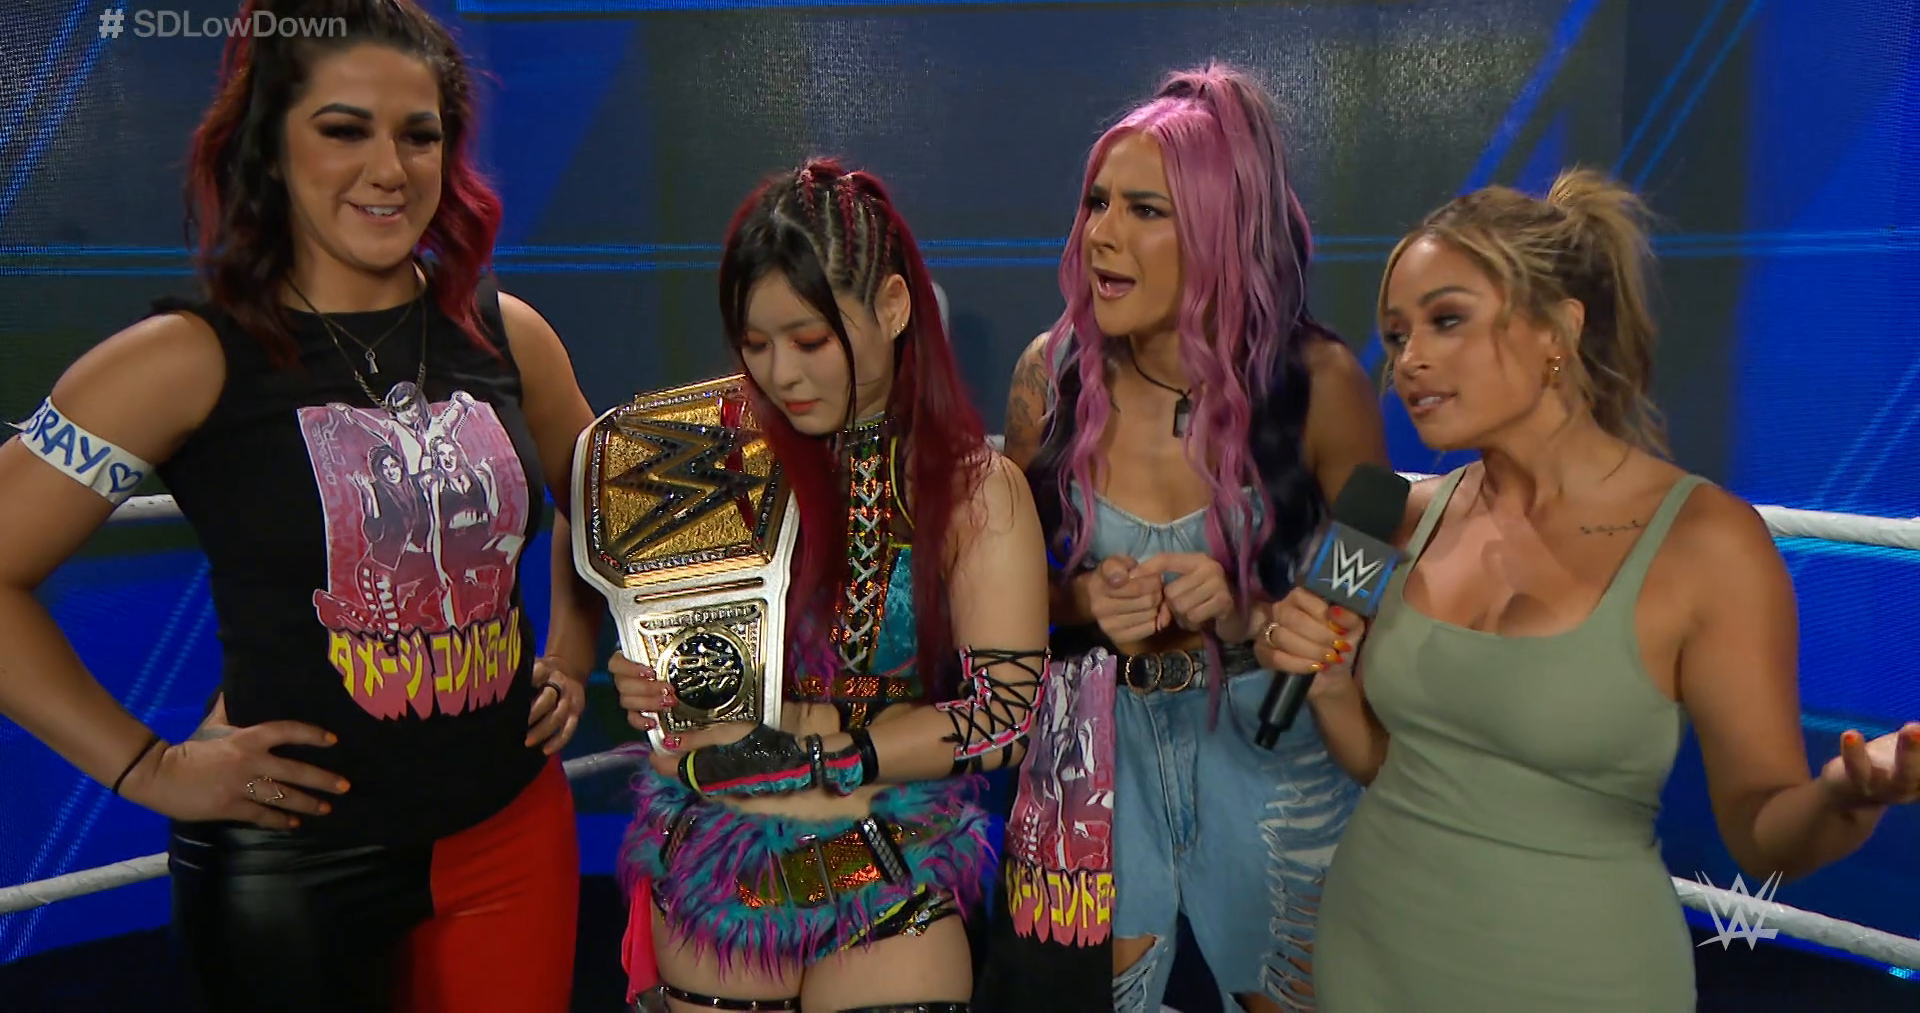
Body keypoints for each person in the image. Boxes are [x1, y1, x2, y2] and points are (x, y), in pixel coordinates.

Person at [0, 0, 603, 1011]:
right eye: (344, 129)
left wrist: (571, 649)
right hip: (293, 869)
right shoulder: (182, 360)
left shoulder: (509, 334)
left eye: (420, 134)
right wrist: (148, 769)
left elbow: (606, 503)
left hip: (511, 836)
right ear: (270, 146)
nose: (390, 168)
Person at [1257, 169, 1920, 1011]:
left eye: (1446, 320)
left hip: (1579, 979)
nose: (1409, 361)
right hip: (1371, 959)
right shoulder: (1396, 513)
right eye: (1395, 335)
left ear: (1556, 330)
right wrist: (1328, 687)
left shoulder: (1706, 545)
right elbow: (1391, 767)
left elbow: (1764, 837)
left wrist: (1846, 795)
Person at [975, 64, 1390, 1013]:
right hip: (1091, 757)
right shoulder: (1051, 374)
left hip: (1267, 747)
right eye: (1096, 203)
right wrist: (1083, 600)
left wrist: (1258, 611)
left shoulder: (1320, 382)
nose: (1101, 234)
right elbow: (1001, 604)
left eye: (1145, 211)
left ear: (1217, 229)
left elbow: (1366, 574)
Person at [605, 158, 1051, 1012]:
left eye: (809, 340)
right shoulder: (707, 470)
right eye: (756, 344)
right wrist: (656, 686)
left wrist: (834, 754)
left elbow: (1005, 715)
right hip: (723, 865)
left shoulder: (974, 491)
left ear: (893, 306)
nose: (781, 375)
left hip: (887, 859)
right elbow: (689, 695)